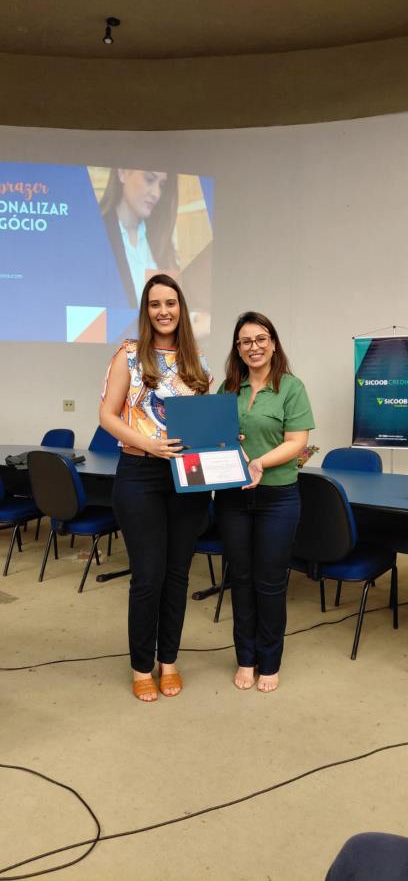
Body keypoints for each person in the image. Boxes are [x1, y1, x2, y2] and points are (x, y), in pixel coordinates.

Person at [100, 273, 211, 702]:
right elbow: (107, 415)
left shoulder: (196, 363)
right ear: (146, 311)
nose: (163, 311)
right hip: (140, 473)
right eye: (154, 304)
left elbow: (201, 425)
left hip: (188, 476)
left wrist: (223, 437)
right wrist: (148, 444)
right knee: (148, 576)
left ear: (181, 308)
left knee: (178, 574)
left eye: (170, 303)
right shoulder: (128, 355)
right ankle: (141, 666)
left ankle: (169, 661)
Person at [215, 311, 314, 692]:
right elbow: (217, 435)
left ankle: (269, 662)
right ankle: (246, 658)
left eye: (260, 339)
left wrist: (259, 462)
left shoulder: (291, 387)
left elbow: (297, 441)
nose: (253, 347)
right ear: (238, 349)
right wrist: (228, 445)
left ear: (272, 344)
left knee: (270, 582)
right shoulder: (229, 389)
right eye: (245, 341)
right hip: (233, 497)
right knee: (240, 579)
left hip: (278, 498)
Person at [99, 168, 178, 307]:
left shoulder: (161, 240)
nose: (156, 194)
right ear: (123, 173)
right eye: (149, 179)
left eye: (162, 185)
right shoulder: (95, 235)